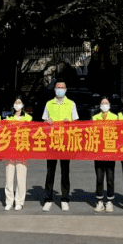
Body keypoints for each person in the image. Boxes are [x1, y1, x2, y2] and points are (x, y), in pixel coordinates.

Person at [41, 80, 78, 211]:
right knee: (50, 172)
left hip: (65, 143)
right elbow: (44, 121)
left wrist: (70, 122)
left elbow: (76, 124)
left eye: (62, 87)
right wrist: (47, 122)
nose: (60, 89)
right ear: (54, 89)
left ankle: (65, 198)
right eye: (58, 87)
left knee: (65, 171)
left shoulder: (71, 104)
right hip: (51, 142)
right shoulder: (49, 103)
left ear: (66, 89)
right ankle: (48, 198)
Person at [3, 95, 32, 211]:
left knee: (21, 178)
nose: (17, 105)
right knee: (9, 178)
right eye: (15, 103)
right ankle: (9, 201)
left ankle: (19, 201)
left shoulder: (28, 118)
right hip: (10, 151)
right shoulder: (8, 119)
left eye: (19, 102)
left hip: (22, 151)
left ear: (23, 104)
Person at [91, 96, 118, 212]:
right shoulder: (95, 118)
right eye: (102, 103)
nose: (104, 105)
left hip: (110, 152)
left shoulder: (115, 117)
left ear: (110, 105)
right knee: (99, 177)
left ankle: (110, 201)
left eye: (106, 103)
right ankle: (100, 201)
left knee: (110, 178)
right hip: (98, 152)